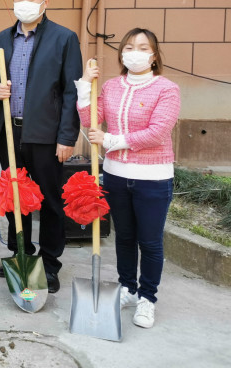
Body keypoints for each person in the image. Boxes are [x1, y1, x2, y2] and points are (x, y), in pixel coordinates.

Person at [0, 0, 82, 293]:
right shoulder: (2, 39)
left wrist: (67, 137)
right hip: (10, 133)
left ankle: (49, 264)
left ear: (45, 2)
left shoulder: (64, 38)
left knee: (50, 201)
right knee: (15, 197)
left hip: (46, 135)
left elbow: (71, 92)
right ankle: (21, 254)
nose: (24, 2)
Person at [78, 28, 180, 329]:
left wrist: (110, 140)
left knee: (149, 241)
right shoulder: (111, 87)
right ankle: (127, 288)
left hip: (153, 178)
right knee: (123, 237)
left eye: (143, 48)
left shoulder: (167, 89)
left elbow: (157, 132)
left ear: (154, 56)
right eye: (130, 47)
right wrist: (85, 84)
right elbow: (90, 120)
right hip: (116, 176)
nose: (135, 53)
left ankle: (147, 298)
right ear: (122, 53)